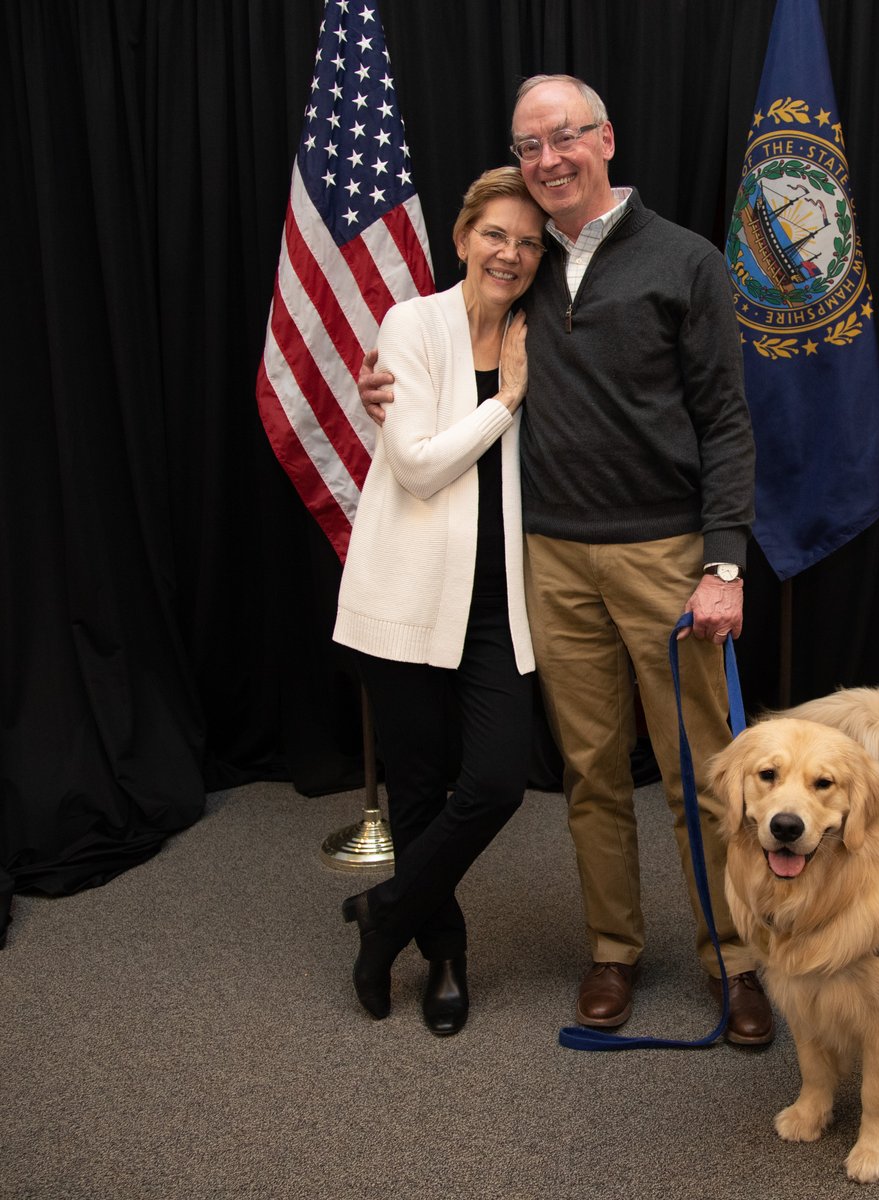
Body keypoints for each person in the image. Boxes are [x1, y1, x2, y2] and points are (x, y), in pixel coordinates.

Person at [360, 76, 773, 1046]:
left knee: (704, 773)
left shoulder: (688, 261)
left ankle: (737, 960)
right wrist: (379, 379)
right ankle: (613, 950)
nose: (548, 160)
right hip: (544, 557)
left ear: (606, 139)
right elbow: (439, 348)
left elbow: (725, 420)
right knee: (590, 772)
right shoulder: (522, 264)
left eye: (565, 139)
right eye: (528, 145)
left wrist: (723, 565)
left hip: (665, 560)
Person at [335, 167, 546, 1036]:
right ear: (462, 239)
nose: (511, 253)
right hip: (409, 591)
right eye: (496, 234)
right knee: (418, 785)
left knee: (496, 781)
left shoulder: (544, 332)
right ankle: (446, 951)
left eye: (529, 242)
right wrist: (504, 403)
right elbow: (419, 466)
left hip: (498, 601)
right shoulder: (412, 325)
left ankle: (387, 911)